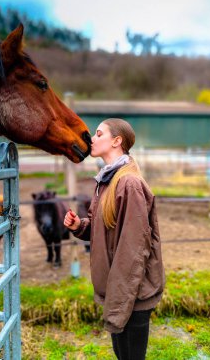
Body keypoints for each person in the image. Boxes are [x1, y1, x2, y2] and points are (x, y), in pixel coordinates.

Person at [64, 118, 165, 360]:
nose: (92, 139)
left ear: (117, 141)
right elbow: (103, 230)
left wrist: (118, 306)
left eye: (99, 134)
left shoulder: (128, 183)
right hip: (118, 291)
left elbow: (133, 250)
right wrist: (80, 226)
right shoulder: (107, 180)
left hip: (131, 295)